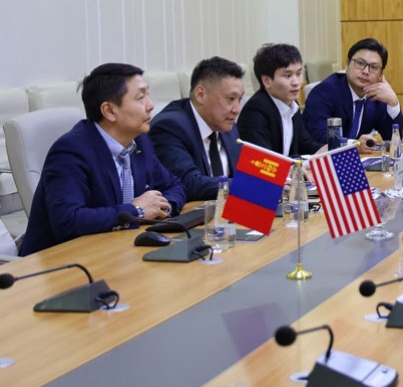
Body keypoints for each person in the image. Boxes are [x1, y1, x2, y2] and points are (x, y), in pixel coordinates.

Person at [20, 64, 186, 255]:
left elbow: (175, 185)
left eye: (148, 95)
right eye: (140, 98)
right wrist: (136, 211)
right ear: (109, 111)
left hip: (118, 250)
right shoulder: (71, 151)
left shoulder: (139, 142)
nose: (150, 105)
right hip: (61, 261)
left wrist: (163, 207)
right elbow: (68, 221)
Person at [149, 57, 244, 201]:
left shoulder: (226, 124)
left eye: (239, 100)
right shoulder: (170, 126)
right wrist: (247, 186)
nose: (236, 109)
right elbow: (188, 183)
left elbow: (241, 173)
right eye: (230, 99)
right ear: (201, 95)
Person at [302, 38, 403, 152]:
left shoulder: (375, 95)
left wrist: (393, 102)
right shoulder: (324, 92)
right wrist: (354, 144)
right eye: (360, 63)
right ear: (347, 64)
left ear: (380, 74)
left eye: (374, 67)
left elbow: (393, 141)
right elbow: (319, 137)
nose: (365, 71)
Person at [237, 44, 324, 157]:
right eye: (287, 75)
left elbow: (305, 144)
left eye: (298, 74)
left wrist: (328, 149)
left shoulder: (292, 104)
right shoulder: (255, 111)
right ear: (267, 81)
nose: (296, 82)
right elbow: (265, 160)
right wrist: (301, 161)